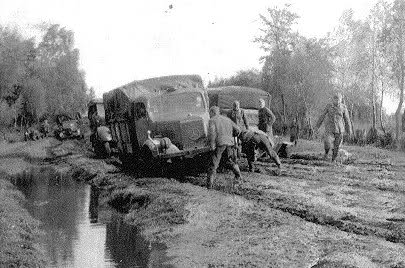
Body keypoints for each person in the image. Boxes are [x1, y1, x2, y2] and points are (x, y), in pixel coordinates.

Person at [207, 106, 241, 189]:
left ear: (212, 112)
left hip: (220, 143)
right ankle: (238, 176)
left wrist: (212, 144)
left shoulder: (212, 120)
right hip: (229, 143)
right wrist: (232, 137)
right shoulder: (227, 119)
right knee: (230, 161)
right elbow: (238, 130)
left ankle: (209, 185)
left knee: (214, 164)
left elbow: (212, 133)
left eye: (210, 113)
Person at [315, 93, 352, 162]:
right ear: (333, 99)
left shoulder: (343, 107)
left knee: (336, 147)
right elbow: (322, 116)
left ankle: (333, 160)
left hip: (340, 130)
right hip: (329, 128)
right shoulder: (328, 106)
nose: (337, 101)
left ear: (341, 100)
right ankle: (326, 154)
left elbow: (347, 120)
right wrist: (317, 126)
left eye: (338, 99)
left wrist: (349, 130)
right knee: (327, 142)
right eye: (335, 99)